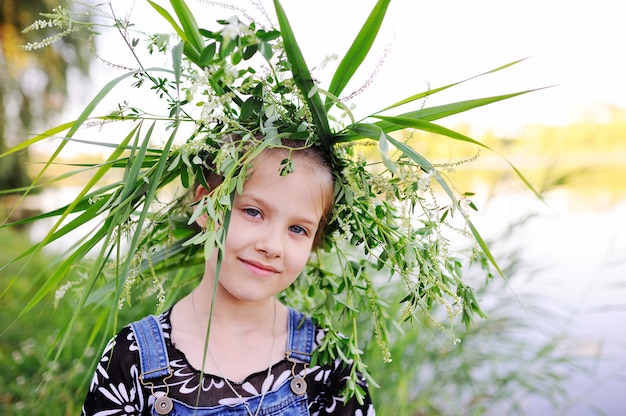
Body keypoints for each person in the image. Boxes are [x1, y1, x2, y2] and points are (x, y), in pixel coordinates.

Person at [81, 139, 375, 415]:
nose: (272, 246)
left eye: (298, 229)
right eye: (253, 212)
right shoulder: (133, 358)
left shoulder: (329, 361)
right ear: (205, 208)